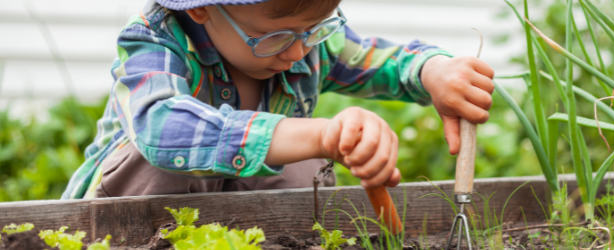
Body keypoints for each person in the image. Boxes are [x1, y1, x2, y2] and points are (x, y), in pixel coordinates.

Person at [61, 0, 495, 199]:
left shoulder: (305, 44)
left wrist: (430, 70)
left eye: (316, 27)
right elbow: (160, 126)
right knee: (152, 155)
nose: (297, 51)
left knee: (304, 163)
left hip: (248, 224)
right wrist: (320, 133)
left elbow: (377, 60)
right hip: (124, 225)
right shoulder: (156, 42)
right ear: (202, 9)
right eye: (276, 36)